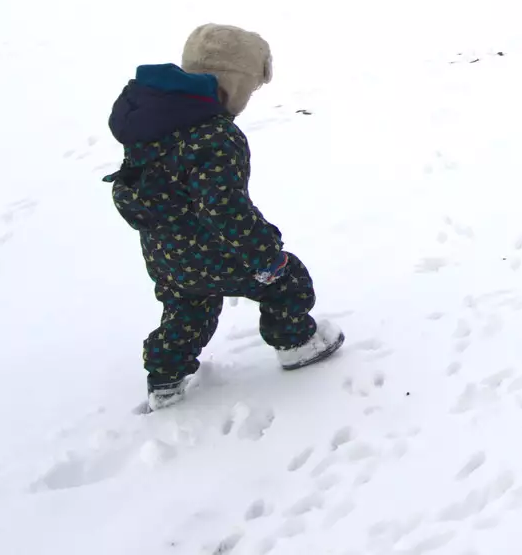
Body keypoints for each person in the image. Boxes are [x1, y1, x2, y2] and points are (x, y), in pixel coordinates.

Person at [104, 23, 343, 412]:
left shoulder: (153, 121)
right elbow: (224, 207)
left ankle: (165, 378)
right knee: (286, 281)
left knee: (188, 307)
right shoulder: (215, 135)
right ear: (232, 84)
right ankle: (297, 343)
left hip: (164, 252)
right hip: (213, 248)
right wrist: (266, 253)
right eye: (250, 87)